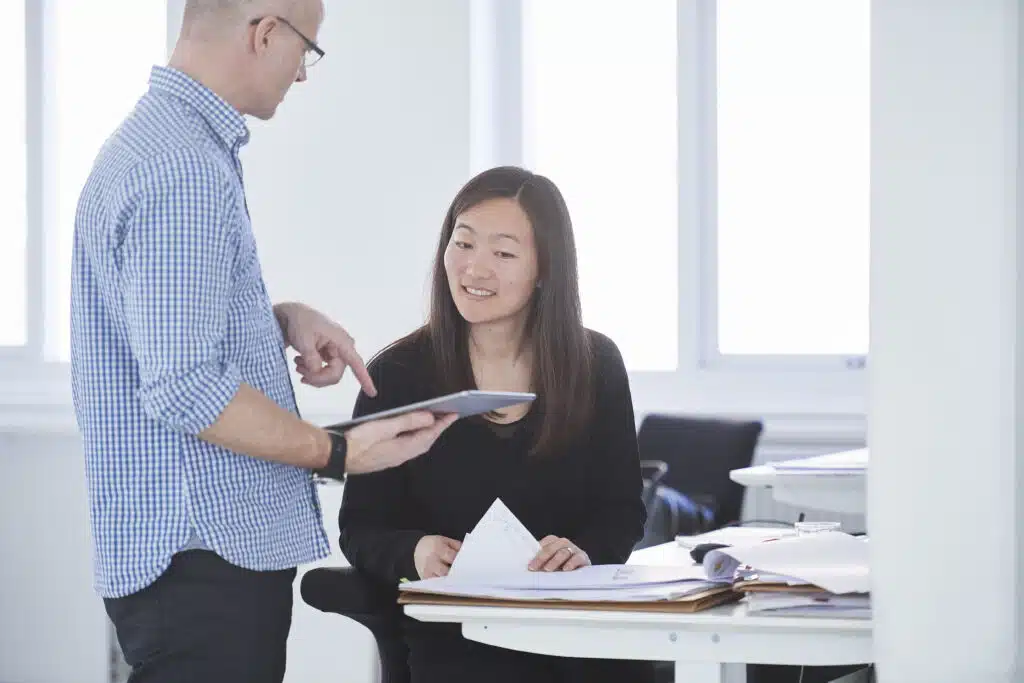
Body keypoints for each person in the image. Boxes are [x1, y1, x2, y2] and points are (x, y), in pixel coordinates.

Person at [70, 1, 456, 681]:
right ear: (266, 33)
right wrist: (340, 451)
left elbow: (161, 330)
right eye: (307, 50)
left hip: (193, 561)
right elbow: (185, 385)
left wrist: (277, 319)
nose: (302, 74)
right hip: (203, 558)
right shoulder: (183, 167)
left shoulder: (162, 143)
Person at [337, 166, 655, 683]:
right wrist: (415, 550)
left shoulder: (594, 364)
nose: (475, 269)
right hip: (460, 636)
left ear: (544, 269)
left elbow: (621, 509)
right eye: (463, 244)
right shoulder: (398, 374)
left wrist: (586, 552)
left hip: (579, 629)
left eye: (503, 254)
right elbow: (361, 527)